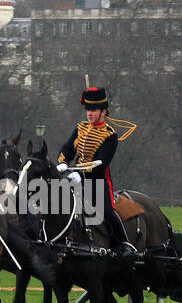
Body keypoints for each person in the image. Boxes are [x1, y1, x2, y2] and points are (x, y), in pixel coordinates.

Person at [56, 85, 137, 256]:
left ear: (104, 112)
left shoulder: (110, 135)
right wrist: (63, 162)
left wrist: (80, 173)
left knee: (107, 211)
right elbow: (68, 148)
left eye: (94, 110)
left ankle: (124, 244)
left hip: (98, 182)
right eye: (88, 110)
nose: (90, 113)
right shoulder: (80, 128)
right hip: (74, 178)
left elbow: (101, 163)